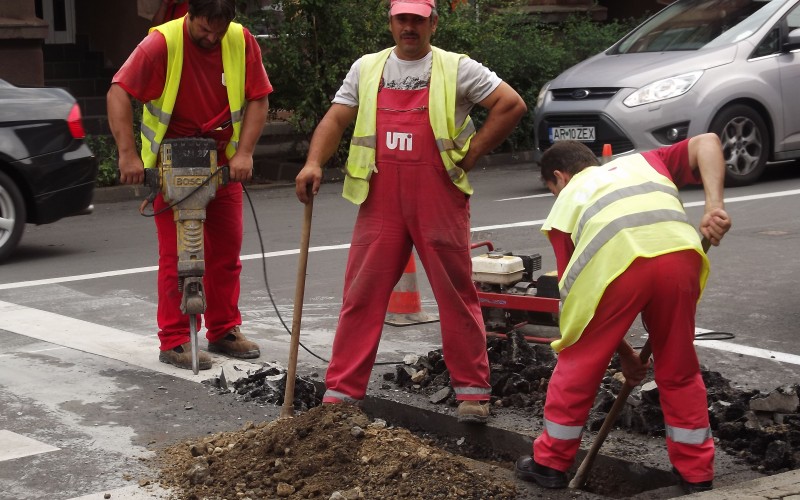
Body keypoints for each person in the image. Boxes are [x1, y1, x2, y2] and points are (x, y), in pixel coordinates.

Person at [294, 0, 527, 423]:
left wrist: (472, 154)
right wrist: (313, 162)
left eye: (418, 20)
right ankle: (342, 391)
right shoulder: (367, 68)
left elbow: (510, 104)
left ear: (433, 23)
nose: (409, 27)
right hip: (380, 197)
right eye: (402, 19)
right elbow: (336, 119)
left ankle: (472, 392)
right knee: (361, 294)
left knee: (455, 293)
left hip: (437, 197)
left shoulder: (458, 68)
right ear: (390, 21)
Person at [514, 133, 732, 492]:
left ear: (560, 178)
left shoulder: (567, 202)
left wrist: (624, 355)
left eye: (552, 189)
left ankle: (549, 463)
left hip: (621, 266)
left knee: (578, 363)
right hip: (680, 257)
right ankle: (696, 474)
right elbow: (707, 142)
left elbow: (577, 307)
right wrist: (713, 206)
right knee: (678, 367)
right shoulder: (643, 161)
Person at [107, 0, 272, 370]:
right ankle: (175, 339)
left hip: (220, 164)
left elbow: (259, 97)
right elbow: (118, 92)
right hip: (172, 165)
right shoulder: (161, 44)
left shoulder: (240, 41)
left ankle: (224, 329)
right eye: (204, 29)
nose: (212, 37)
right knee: (178, 256)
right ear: (190, 14)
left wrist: (244, 153)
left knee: (226, 252)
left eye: (219, 29)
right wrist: (128, 156)